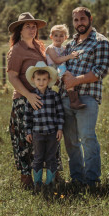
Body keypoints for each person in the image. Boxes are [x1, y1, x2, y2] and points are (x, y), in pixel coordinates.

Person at [7, 12, 63, 189]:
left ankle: (54, 173)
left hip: (45, 99)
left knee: (50, 135)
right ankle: (26, 176)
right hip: (24, 100)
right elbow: (12, 76)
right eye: (27, 27)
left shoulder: (40, 46)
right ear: (20, 30)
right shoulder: (17, 50)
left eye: (34, 26)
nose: (32, 29)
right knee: (26, 138)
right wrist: (28, 96)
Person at [60, 7, 109, 187]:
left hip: (87, 97)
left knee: (87, 137)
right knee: (71, 141)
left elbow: (100, 71)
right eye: (75, 20)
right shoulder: (70, 44)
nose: (79, 23)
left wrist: (75, 80)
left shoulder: (100, 42)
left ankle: (91, 180)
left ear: (90, 19)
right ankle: (76, 178)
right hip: (67, 97)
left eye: (82, 19)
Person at [23, 62, 64, 191]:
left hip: (52, 133)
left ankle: (50, 184)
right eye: (38, 79)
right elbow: (27, 116)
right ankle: (38, 184)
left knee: (51, 157)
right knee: (38, 157)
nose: (41, 82)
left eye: (44, 79)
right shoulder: (31, 97)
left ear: (49, 80)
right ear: (33, 80)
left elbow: (60, 113)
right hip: (37, 133)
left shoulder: (54, 95)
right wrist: (28, 132)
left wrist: (60, 128)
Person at [46, 24, 86, 109]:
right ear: (51, 36)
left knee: (68, 75)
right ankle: (74, 101)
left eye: (61, 36)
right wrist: (70, 56)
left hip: (60, 69)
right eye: (55, 35)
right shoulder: (50, 48)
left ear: (66, 37)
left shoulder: (64, 48)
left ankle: (72, 99)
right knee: (68, 76)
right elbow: (56, 60)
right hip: (52, 69)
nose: (58, 38)